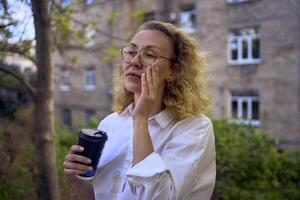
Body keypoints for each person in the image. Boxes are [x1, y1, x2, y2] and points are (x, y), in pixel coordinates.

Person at [63, 20, 216, 200]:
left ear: (173, 72)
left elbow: (160, 197)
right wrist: (76, 179)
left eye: (149, 55)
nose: (134, 62)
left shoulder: (195, 128)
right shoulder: (110, 123)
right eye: (131, 51)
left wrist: (140, 119)